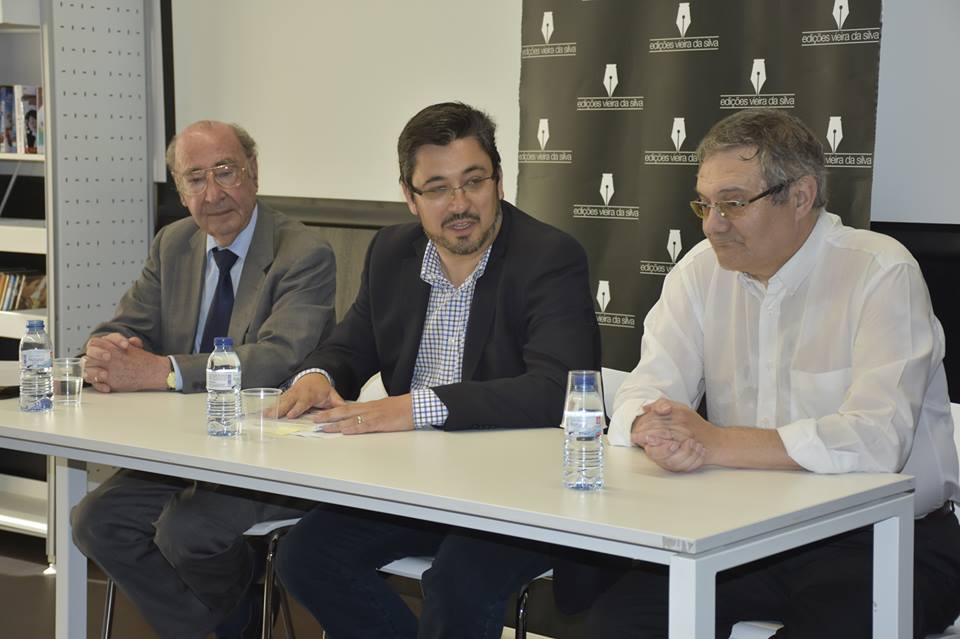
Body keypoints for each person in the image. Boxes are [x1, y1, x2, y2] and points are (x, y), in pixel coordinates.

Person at [591, 109, 960, 638]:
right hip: (743, 531)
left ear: (801, 196)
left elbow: (878, 440)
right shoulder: (699, 270)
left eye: (734, 203)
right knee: (622, 619)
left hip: (887, 540)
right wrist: (651, 424)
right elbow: (647, 386)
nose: (712, 224)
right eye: (705, 204)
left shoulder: (880, 271)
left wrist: (716, 442)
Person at [273, 101, 601, 639]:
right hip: (417, 485)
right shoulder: (391, 251)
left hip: (519, 493)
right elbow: (351, 345)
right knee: (307, 556)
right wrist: (318, 377)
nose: (460, 204)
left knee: (457, 582)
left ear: (499, 180)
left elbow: (555, 390)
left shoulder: (549, 257)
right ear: (410, 196)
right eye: (438, 188)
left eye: (474, 181)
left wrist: (416, 407)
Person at [71, 120, 336, 639]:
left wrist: (163, 371)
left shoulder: (303, 252)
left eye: (226, 171)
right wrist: (106, 352)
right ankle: (228, 623)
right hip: (182, 445)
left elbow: (280, 358)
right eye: (195, 178)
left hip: (267, 450)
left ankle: (231, 614)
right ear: (180, 190)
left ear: (253, 172)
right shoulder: (173, 244)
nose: (213, 193)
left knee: (186, 531)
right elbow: (127, 325)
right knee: (95, 522)